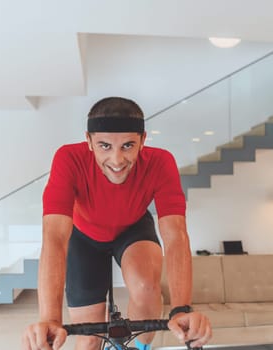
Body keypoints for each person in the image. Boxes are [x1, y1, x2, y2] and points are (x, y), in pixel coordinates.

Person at [22, 97, 212, 350]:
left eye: (127, 146)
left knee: (145, 286)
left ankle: (137, 348)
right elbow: (55, 237)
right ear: (88, 141)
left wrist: (180, 309)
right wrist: (50, 318)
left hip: (132, 228)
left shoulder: (161, 161)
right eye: (104, 146)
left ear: (143, 140)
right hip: (84, 235)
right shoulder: (68, 158)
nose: (117, 159)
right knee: (88, 338)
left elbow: (176, 235)